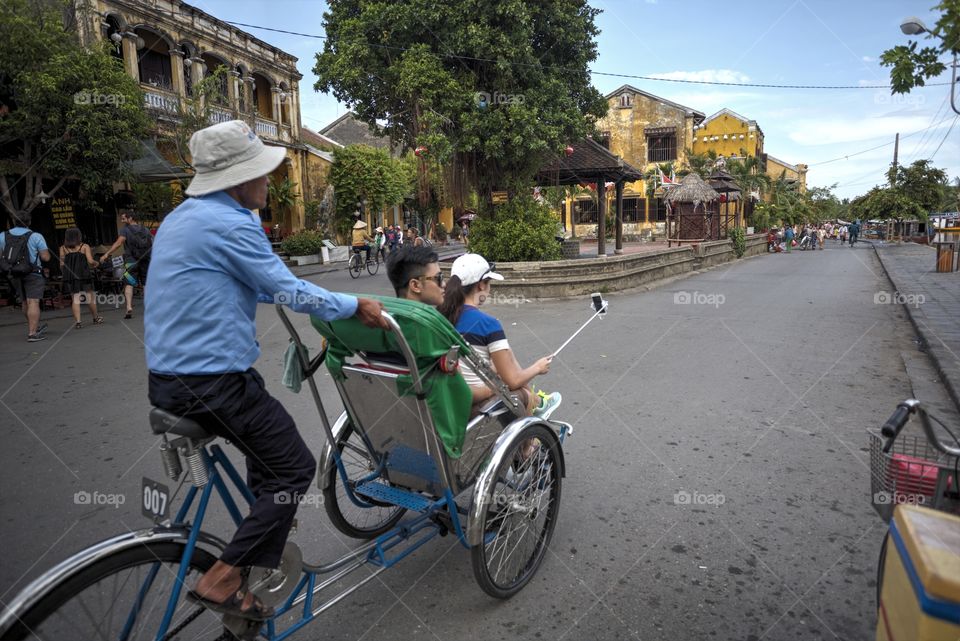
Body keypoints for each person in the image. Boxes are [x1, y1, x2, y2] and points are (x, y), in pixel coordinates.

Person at [145, 120, 387, 621]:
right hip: (213, 383)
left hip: (171, 381)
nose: (269, 182)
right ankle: (228, 575)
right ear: (237, 180)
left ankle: (259, 555)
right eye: (263, 173)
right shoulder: (231, 222)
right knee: (295, 468)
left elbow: (254, 284)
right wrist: (352, 304)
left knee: (270, 461)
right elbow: (289, 289)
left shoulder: (184, 217)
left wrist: (297, 295)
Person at [438, 253, 560, 417]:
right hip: (476, 404)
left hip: (449, 400)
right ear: (481, 285)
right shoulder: (488, 324)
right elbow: (513, 381)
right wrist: (538, 368)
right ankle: (533, 422)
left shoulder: (441, 317)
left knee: (505, 356)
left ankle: (538, 403)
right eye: (489, 284)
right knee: (523, 392)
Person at [0, 210, 50, 341]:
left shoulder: (2, 236)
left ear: (14, 221)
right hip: (33, 273)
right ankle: (32, 333)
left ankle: (33, 327)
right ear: (29, 222)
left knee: (24, 302)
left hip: (14, 273)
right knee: (33, 301)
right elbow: (45, 257)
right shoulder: (35, 236)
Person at [99, 211, 151, 319]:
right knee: (146, 283)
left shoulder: (125, 230)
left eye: (123, 219)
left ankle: (128, 307)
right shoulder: (145, 230)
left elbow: (118, 243)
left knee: (129, 283)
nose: (122, 221)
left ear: (130, 218)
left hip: (131, 261)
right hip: (145, 260)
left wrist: (106, 254)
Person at [59, 227, 102, 328]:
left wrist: (65, 274)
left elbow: (61, 264)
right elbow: (90, 261)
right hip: (84, 274)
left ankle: (78, 322)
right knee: (90, 297)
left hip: (71, 276)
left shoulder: (62, 248)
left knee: (75, 299)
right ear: (79, 236)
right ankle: (96, 318)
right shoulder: (84, 246)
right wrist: (97, 263)